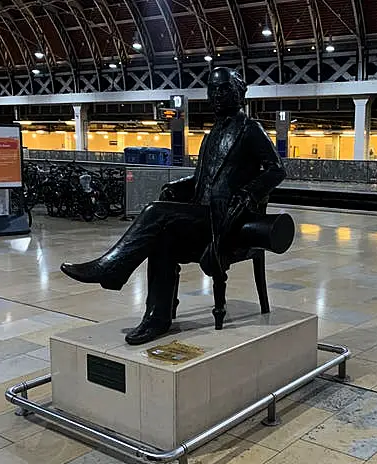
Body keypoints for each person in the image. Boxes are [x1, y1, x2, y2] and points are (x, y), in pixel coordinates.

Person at [60, 67, 286, 345]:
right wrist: (179, 184)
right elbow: (203, 176)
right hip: (202, 215)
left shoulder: (250, 129)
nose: (217, 94)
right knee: (161, 239)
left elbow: (276, 170)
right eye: (212, 89)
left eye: (224, 88)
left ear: (240, 92)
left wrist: (249, 192)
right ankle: (158, 316)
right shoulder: (212, 133)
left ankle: (113, 267)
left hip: (229, 220)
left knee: (156, 212)